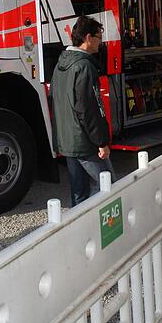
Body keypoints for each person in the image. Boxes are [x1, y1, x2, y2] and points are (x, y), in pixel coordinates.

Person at [50, 16, 114, 206]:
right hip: (84, 142)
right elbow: (89, 109)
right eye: (99, 38)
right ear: (88, 38)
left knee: (79, 193)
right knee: (108, 186)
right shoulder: (84, 66)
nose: (100, 43)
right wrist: (101, 142)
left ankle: (81, 232)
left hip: (68, 140)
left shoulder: (61, 63)